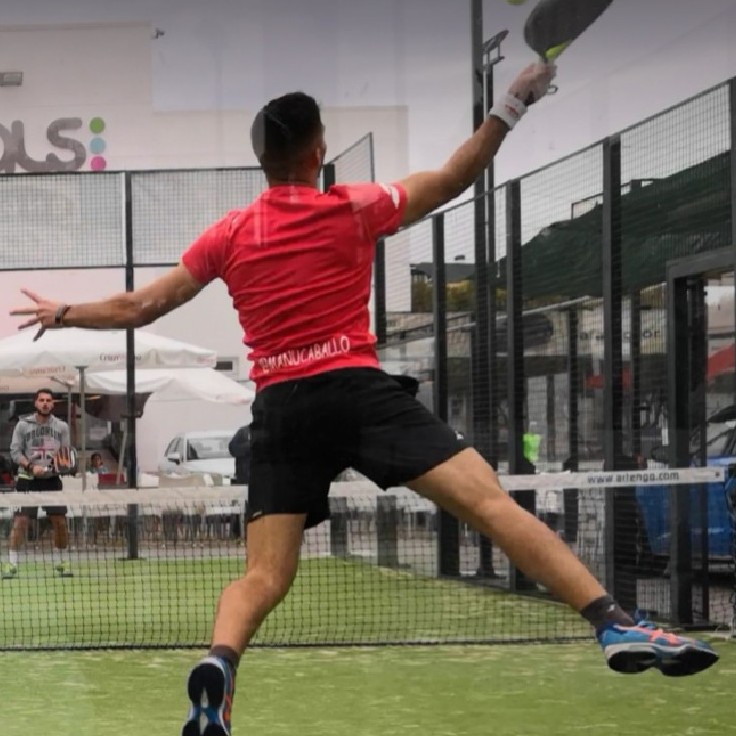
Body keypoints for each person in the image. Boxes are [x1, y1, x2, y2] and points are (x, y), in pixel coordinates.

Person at [9, 62, 717, 736]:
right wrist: (513, 101)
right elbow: (454, 177)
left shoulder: (229, 233)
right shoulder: (354, 206)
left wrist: (63, 313)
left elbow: (140, 306)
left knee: (263, 576)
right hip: (357, 392)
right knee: (492, 505)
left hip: (281, 407)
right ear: (317, 151)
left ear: (262, 162)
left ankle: (220, 665)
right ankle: (611, 622)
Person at [2, 389, 75, 579]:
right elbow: (15, 452)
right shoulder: (22, 425)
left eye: (48, 400)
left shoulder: (62, 427)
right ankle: (11, 564)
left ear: (53, 404)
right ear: (36, 403)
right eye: (41, 400)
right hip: (27, 480)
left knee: (60, 522)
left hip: (52, 480)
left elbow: (65, 454)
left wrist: (55, 467)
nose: (45, 403)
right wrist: (31, 467)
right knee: (20, 521)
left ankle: (61, 562)